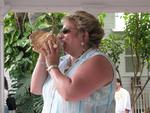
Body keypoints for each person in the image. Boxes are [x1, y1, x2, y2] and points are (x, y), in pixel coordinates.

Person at [30, 10, 116, 113]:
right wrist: (45, 52)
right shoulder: (62, 62)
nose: (60, 36)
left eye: (65, 31)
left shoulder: (98, 61)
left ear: (84, 36)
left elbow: (69, 93)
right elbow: (35, 88)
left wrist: (52, 66)